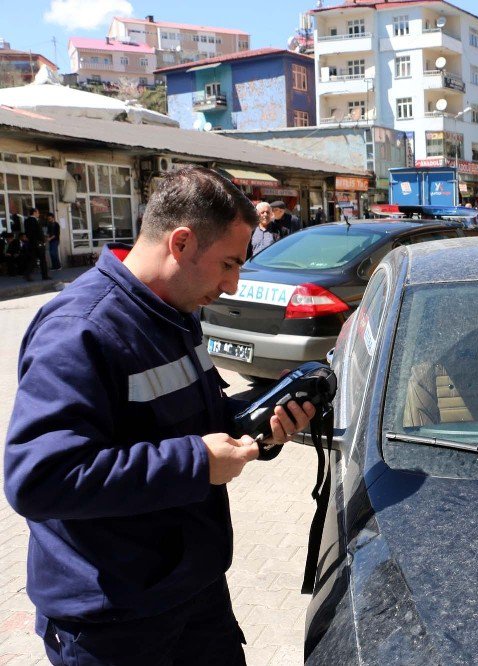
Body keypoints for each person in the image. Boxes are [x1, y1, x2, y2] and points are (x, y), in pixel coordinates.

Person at [4, 166, 316, 664]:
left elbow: (195, 423)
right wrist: (196, 463)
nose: (234, 285)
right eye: (230, 264)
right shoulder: (79, 331)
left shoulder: (175, 313)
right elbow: (39, 478)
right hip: (116, 624)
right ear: (183, 243)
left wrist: (259, 424)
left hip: (192, 594)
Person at [22, 207, 49, 281]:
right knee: (42, 260)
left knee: (33, 260)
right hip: (38, 243)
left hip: (31, 243)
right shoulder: (34, 221)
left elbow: (28, 233)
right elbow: (38, 232)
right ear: (34, 213)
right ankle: (45, 275)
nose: (39, 214)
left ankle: (27, 274)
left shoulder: (26, 220)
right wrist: (42, 241)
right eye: (38, 212)